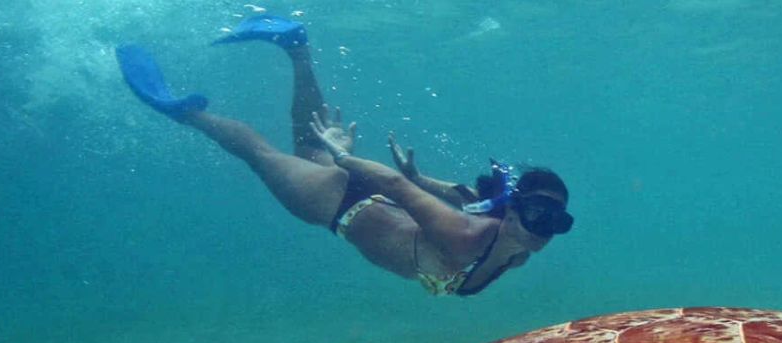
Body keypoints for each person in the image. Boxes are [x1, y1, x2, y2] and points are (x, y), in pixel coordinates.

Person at [115, 15, 573, 296]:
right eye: (537, 213)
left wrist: (420, 176)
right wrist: (343, 158)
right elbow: (395, 186)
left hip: (358, 199)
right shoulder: (465, 235)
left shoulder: (516, 251)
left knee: (306, 147)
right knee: (259, 153)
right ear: (514, 210)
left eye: (555, 220)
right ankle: (184, 113)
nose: (544, 230)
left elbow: (468, 193)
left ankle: (296, 46)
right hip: (337, 203)